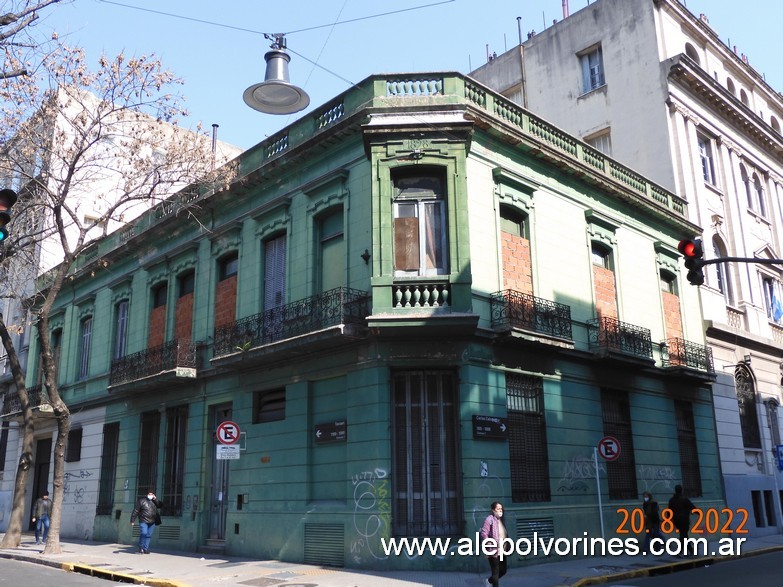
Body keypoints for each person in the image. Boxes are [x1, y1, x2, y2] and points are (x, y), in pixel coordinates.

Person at [479, 501, 507, 587]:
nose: (500, 511)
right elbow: (484, 533)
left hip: (502, 550)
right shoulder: (489, 519)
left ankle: (489, 581)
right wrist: (489, 544)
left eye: (501, 509)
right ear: (493, 510)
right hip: (493, 550)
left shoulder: (501, 520)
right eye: (498, 509)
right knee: (495, 572)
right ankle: (493, 582)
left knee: (503, 571)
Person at [130, 489, 163, 554]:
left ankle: (145, 549)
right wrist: (132, 520)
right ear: (147, 494)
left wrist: (155, 499)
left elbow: (160, 505)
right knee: (144, 533)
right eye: (149, 494)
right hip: (143, 521)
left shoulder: (154, 501)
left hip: (152, 521)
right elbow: (136, 510)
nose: (150, 495)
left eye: (152, 494)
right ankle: (141, 547)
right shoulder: (141, 501)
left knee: (148, 535)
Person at [667, 484, 695, 555]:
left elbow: (669, 511)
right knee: (683, 534)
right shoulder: (684, 499)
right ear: (681, 490)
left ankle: (690, 549)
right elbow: (692, 507)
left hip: (676, 520)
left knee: (684, 534)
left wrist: (668, 519)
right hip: (684, 520)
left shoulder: (671, 500)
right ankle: (680, 550)